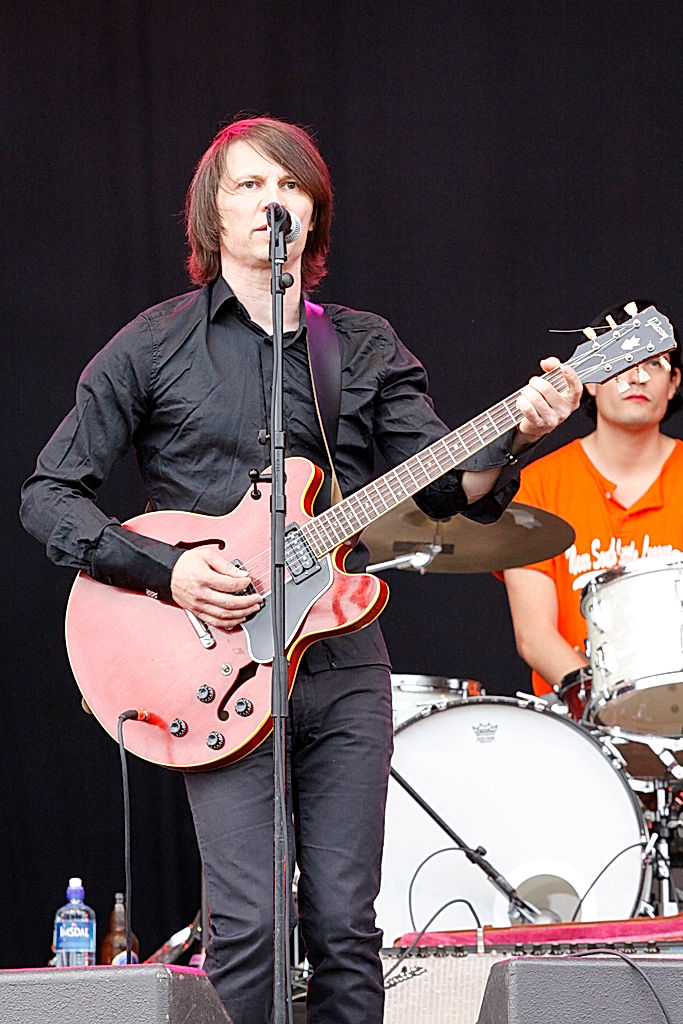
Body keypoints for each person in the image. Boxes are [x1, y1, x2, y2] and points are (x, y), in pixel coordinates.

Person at [20, 116, 581, 1024]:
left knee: (345, 925)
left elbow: (445, 487)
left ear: (313, 214)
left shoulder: (357, 345)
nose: (269, 201)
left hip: (341, 661)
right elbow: (50, 495)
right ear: (212, 214)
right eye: (247, 186)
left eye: (288, 186)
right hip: (220, 667)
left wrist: (515, 428)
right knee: (246, 925)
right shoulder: (154, 343)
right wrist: (170, 572)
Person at [502, 300, 683, 699]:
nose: (636, 377)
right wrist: (612, 705)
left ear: (673, 384)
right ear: (593, 380)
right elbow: (534, 636)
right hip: (582, 721)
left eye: (654, 363)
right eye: (620, 363)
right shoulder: (536, 485)